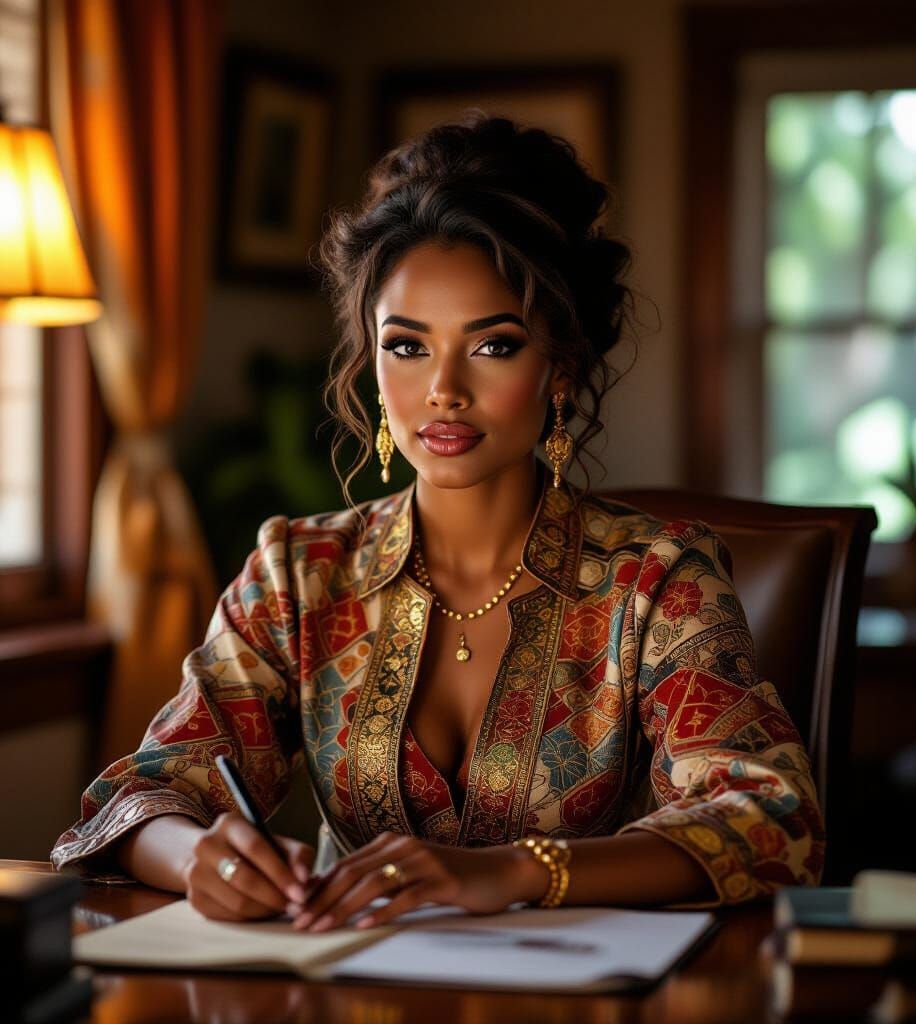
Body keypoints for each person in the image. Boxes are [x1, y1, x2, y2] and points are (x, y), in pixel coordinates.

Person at [51, 112, 825, 931]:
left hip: (591, 986)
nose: (444, 390)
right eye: (408, 346)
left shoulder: (657, 580)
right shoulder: (299, 575)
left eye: (493, 347)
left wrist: (517, 873)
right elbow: (143, 793)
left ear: (560, 368)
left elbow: (772, 822)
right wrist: (198, 858)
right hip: (345, 978)